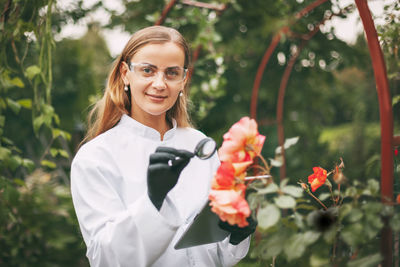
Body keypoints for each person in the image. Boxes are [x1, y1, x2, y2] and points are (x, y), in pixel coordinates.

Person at [70, 25, 256, 267]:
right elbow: (105, 258)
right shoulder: (96, 156)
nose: (159, 83)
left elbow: (213, 253)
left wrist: (235, 236)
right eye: (147, 70)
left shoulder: (199, 144)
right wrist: (152, 201)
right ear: (126, 73)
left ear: (183, 79)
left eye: (171, 73)